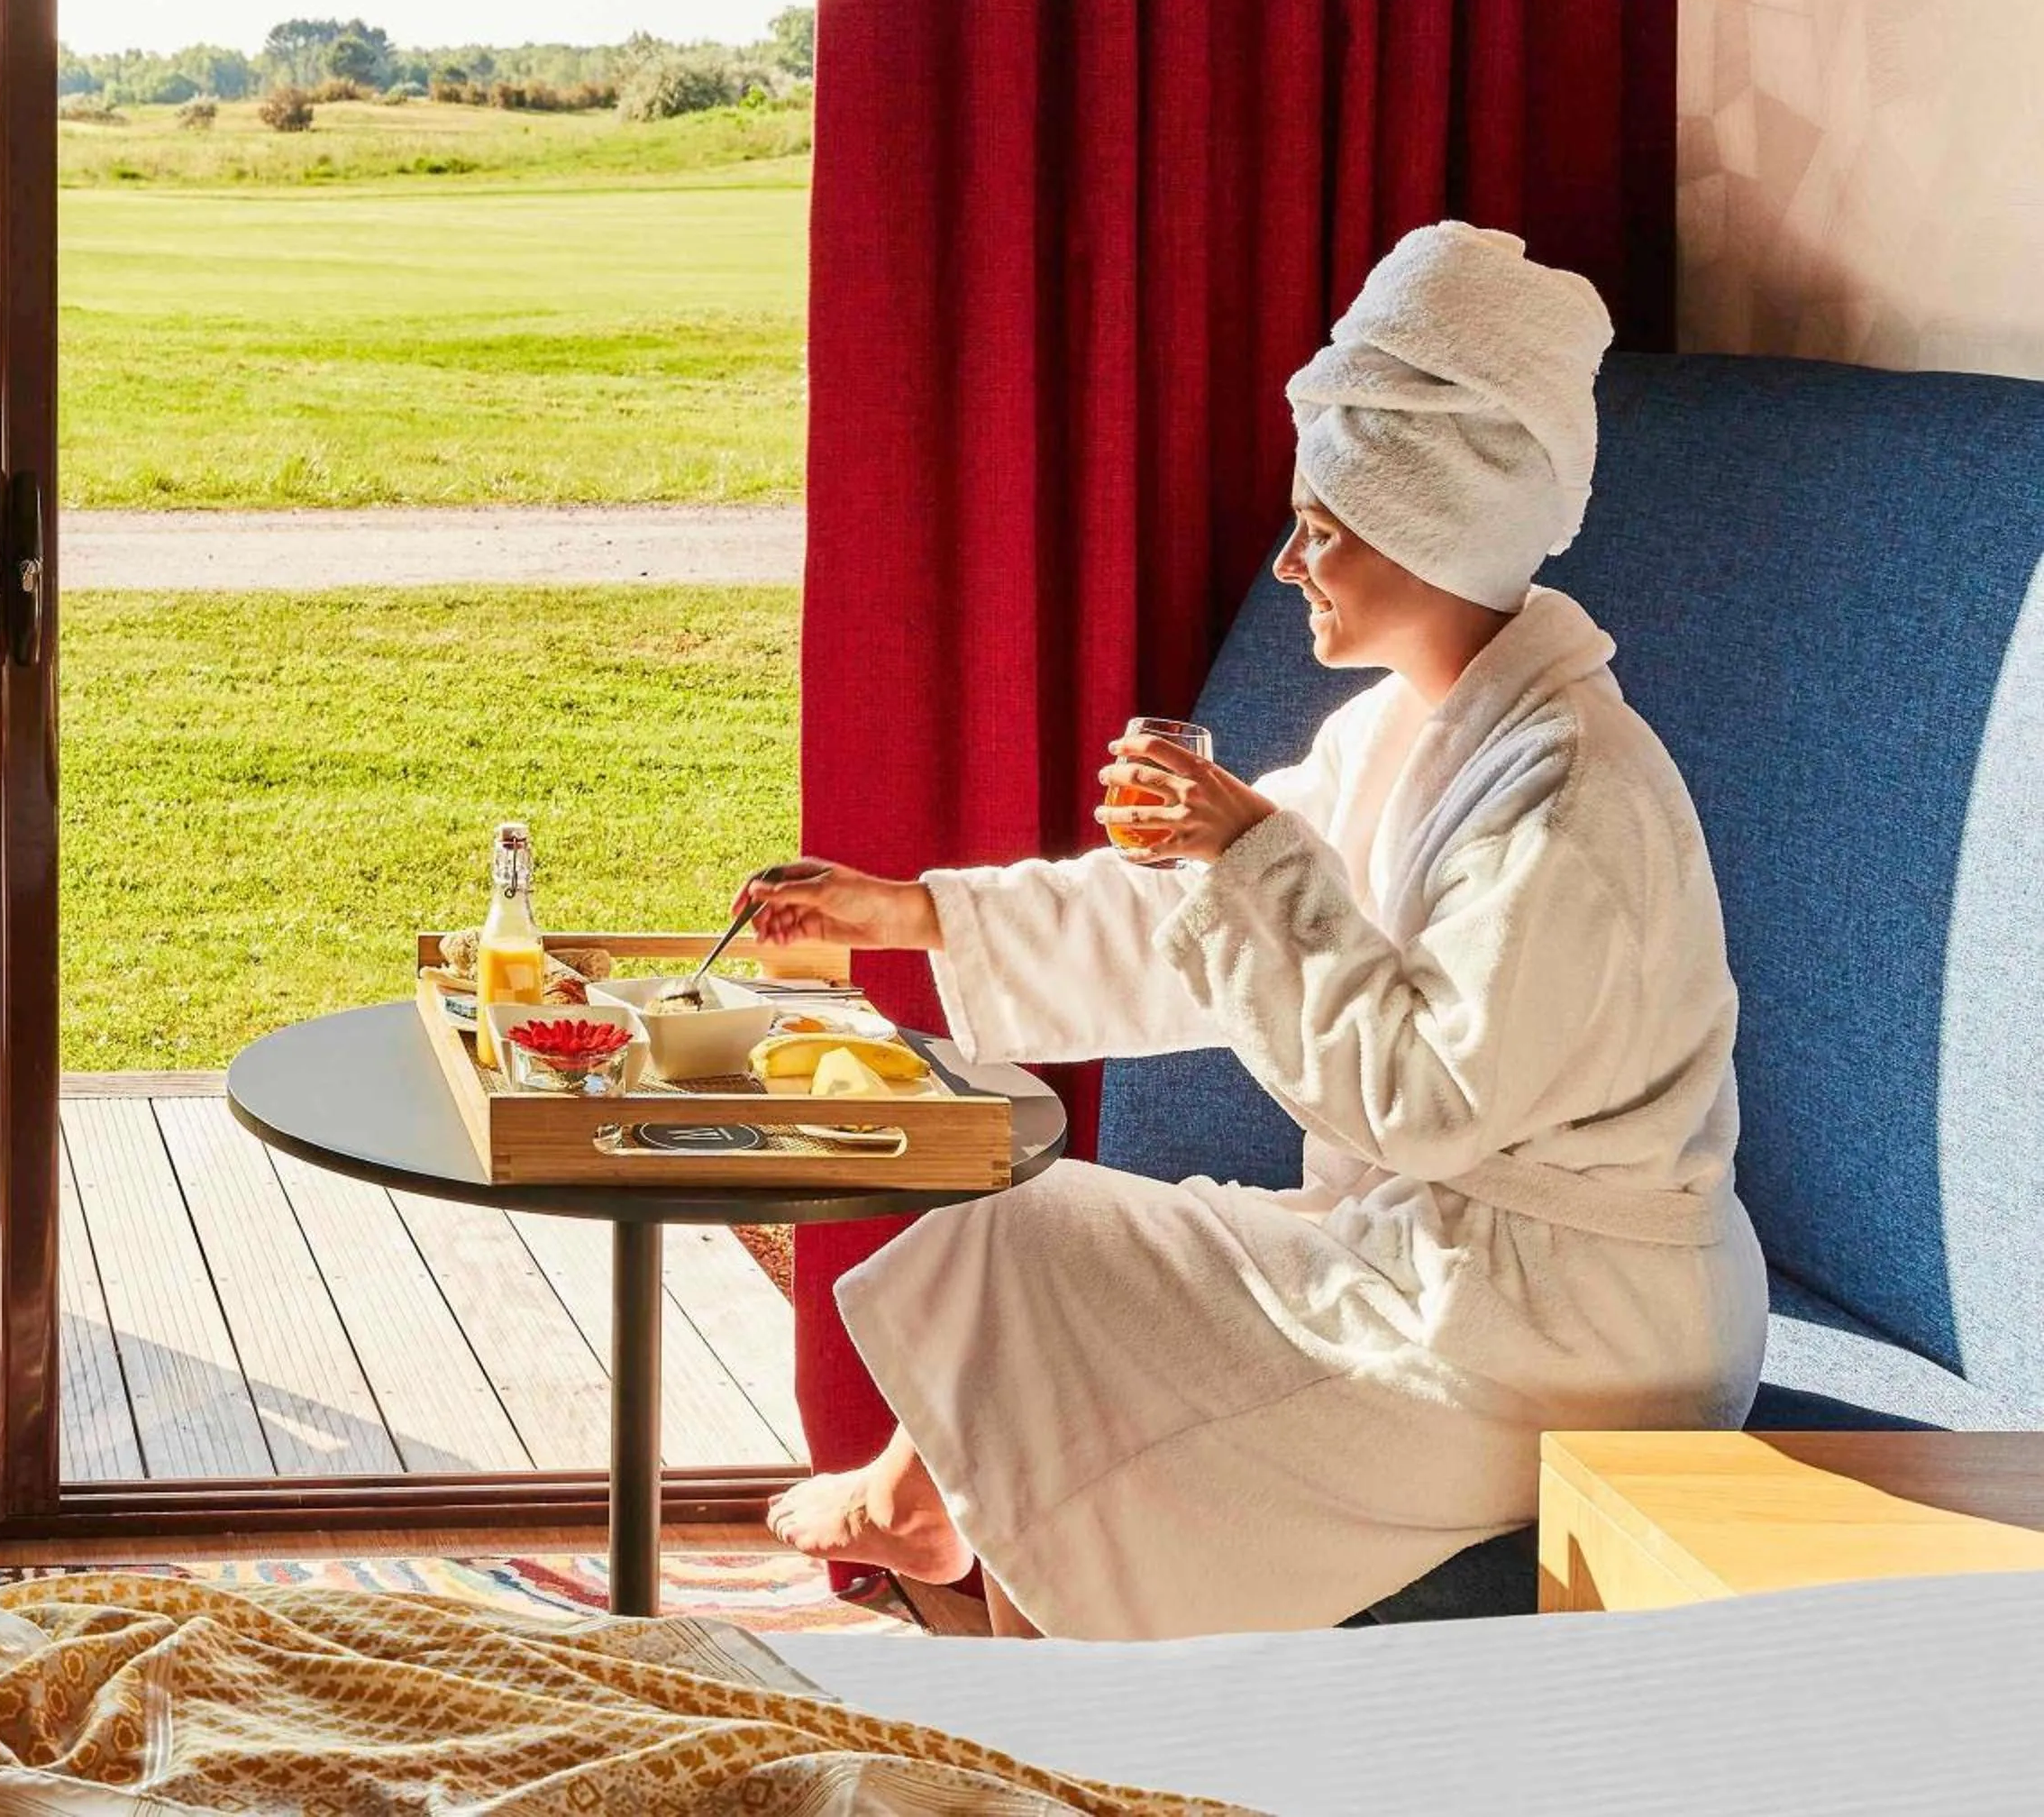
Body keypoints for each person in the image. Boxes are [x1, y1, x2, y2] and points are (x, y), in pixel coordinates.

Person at [739, 224, 1768, 1641]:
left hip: (1577, 1332)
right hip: (1459, 1267)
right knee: (1031, 1233)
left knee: (1072, 1300)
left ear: (1430, 524)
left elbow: (1423, 1098)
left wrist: (1249, 852)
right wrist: (907, 912)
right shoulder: (1413, 729)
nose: (1289, 562)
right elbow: (1183, 920)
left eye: (1322, 525)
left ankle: (1044, 1704)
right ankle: (1001, 1655)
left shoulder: (1568, 797)